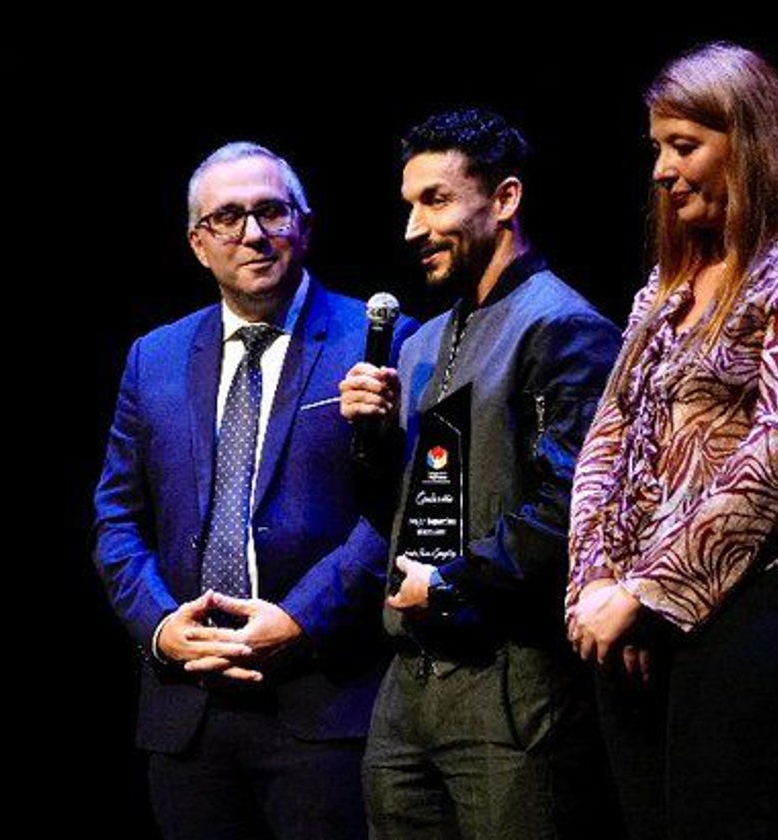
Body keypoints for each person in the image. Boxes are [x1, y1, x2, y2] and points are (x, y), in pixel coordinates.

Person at [565, 43, 778, 838]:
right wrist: (599, 586)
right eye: (656, 150)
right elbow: (609, 437)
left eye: (685, 146)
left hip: (776, 593)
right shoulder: (670, 286)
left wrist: (648, 595)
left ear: (747, 143)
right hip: (645, 614)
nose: (661, 172)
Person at [93, 141, 415, 840]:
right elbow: (117, 516)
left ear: (304, 222)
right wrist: (159, 628)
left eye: (271, 211)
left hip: (325, 705)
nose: (253, 233)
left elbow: (400, 505)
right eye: (229, 217)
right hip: (189, 712)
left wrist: (302, 619)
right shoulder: (156, 356)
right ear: (197, 242)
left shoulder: (380, 340)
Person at [340, 109, 622, 839]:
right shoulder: (422, 343)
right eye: (408, 205)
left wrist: (454, 581)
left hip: (510, 680)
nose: (411, 229)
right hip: (410, 681)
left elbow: (575, 507)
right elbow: (393, 512)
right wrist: (370, 438)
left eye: (434, 201)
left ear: (504, 200)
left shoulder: (561, 326)